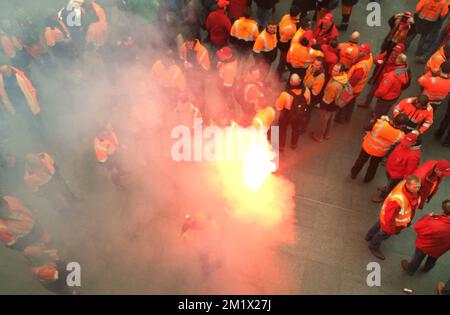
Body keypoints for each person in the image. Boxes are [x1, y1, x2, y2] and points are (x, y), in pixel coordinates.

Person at [365, 175, 421, 260]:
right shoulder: (398, 200)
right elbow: (389, 217)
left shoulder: (403, 185)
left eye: (419, 187)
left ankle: (369, 236)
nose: (418, 189)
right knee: (383, 234)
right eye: (415, 187)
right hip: (391, 222)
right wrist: (390, 230)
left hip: (385, 216)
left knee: (379, 224)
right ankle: (373, 246)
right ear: (408, 185)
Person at [350, 114, 408, 183]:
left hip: (368, 146)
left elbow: (367, 126)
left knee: (360, 161)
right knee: (373, 166)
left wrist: (382, 119)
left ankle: (354, 173)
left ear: (394, 118)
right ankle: (367, 179)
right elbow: (402, 141)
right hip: (380, 152)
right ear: (402, 125)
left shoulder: (380, 123)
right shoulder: (400, 135)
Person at [401, 199, 450, 276]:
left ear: (444, 211)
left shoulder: (435, 224)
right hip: (441, 249)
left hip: (425, 246)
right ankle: (427, 268)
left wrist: (427, 217)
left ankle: (411, 269)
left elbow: (417, 227)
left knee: (418, 258)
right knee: (433, 258)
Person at [372, 133, 421, 203]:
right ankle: (387, 187)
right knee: (389, 182)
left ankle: (383, 196)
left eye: (407, 143)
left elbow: (410, 170)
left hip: (396, 175)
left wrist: (405, 180)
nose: (405, 144)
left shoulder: (414, 156)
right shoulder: (404, 143)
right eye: (405, 141)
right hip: (391, 168)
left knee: (391, 186)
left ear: (414, 143)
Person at [357, 44, 409, 110]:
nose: (394, 53)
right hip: (379, 78)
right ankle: (366, 104)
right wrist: (379, 62)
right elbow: (375, 59)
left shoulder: (401, 62)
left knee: (381, 99)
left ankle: (375, 111)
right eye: (394, 51)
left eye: (397, 52)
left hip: (388, 82)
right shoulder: (388, 54)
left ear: (401, 53)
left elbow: (399, 74)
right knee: (371, 93)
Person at [0, 65, 44, 140]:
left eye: (7, 71)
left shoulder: (19, 76)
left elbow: (29, 86)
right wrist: (9, 108)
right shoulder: (1, 81)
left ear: (10, 69)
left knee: (36, 117)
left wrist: (34, 97)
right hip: (17, 104)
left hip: (27, 101)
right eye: (4, 72)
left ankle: (43, 133)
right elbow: (3, 96)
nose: (7, 73)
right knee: (28, 119)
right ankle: (36, 135)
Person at [335, 42, 373, 124]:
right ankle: (348, 117)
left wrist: (345, 86)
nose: (358, 52)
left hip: (352, 89)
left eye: (361, 51)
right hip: (357, 89)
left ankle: (341, 119)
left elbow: (353, 81)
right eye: (359, 49)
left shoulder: (361, 67)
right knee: (351, 103)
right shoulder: (369, 57)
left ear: (365, 53)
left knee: (344, 102)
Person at [310, 63, 348, 142]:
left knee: (323, 121)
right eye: (333, 69)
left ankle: (318, 136)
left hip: (329, 105)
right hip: (336, 104)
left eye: (335, 71)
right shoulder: (344, 78)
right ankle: (327, 134)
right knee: (331, 119)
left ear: (341, 72)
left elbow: (326, 101)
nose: (332, 72)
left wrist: (321, 105)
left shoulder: (333, 85)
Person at [275, 73, 311, 151]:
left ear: (290, 81)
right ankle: (294, 144)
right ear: (300, 81)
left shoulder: (285, 94)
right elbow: (308, 102)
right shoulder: (306, 90)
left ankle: (281, 147)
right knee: (296, 129)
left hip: (287, 114)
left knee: (282, 130)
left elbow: (278, 107)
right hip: (299, 114)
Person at [371, 54, 411, 118]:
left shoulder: (391, 75)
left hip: (385, 98)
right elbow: (406, 84)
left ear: (397, 61)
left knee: (378, 113)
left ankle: (375, 122)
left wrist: (376, 94)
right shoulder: (406, 71)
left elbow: (382, 90)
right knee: (385, 111)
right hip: (395, 96)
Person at [179, 34, 211, 115]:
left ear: (194, 41)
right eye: (186, 42)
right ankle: (193, 111)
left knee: (200, 96)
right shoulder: (184, 47)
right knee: (191, 94)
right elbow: (181, 58)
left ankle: (202, 113)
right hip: (189, 76)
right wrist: (183, 64)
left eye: (190, 42)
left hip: (199, 78)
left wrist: (193, 66)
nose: (188, 44)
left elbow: (207, 68)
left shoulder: (203, 51)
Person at [94, 123, 126, 190]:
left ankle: (121, 172)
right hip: (105, 159)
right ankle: (117, 184)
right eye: (109, 128)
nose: (111, 128)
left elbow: (115, 143)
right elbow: (107, 152)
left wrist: (119, 146)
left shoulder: (110, 133)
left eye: (111, 126)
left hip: (112, 154)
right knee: (114, 171)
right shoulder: (100, 142)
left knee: (118, 162)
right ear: (103, 131)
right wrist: (118, 149)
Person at [277, 6, 301, 78]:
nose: (300, 15)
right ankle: (278, 74)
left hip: (282, 38)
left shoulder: (286, 16)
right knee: (283, 60)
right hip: (285, 45)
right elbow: (283, 41)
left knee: (283, 60)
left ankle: (282, 68)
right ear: (296, 15)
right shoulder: (290, 29)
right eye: (299, 14)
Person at [216, 46, 238, 111]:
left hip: (226, 87)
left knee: (228, 99)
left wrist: (220, 88)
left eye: (221, 56)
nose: (219, 57)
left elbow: (227, 88)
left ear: (226, 57)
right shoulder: (227, 60)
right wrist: (220, 65)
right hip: (224, 82)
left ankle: (230, 111)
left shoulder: (229, 69)